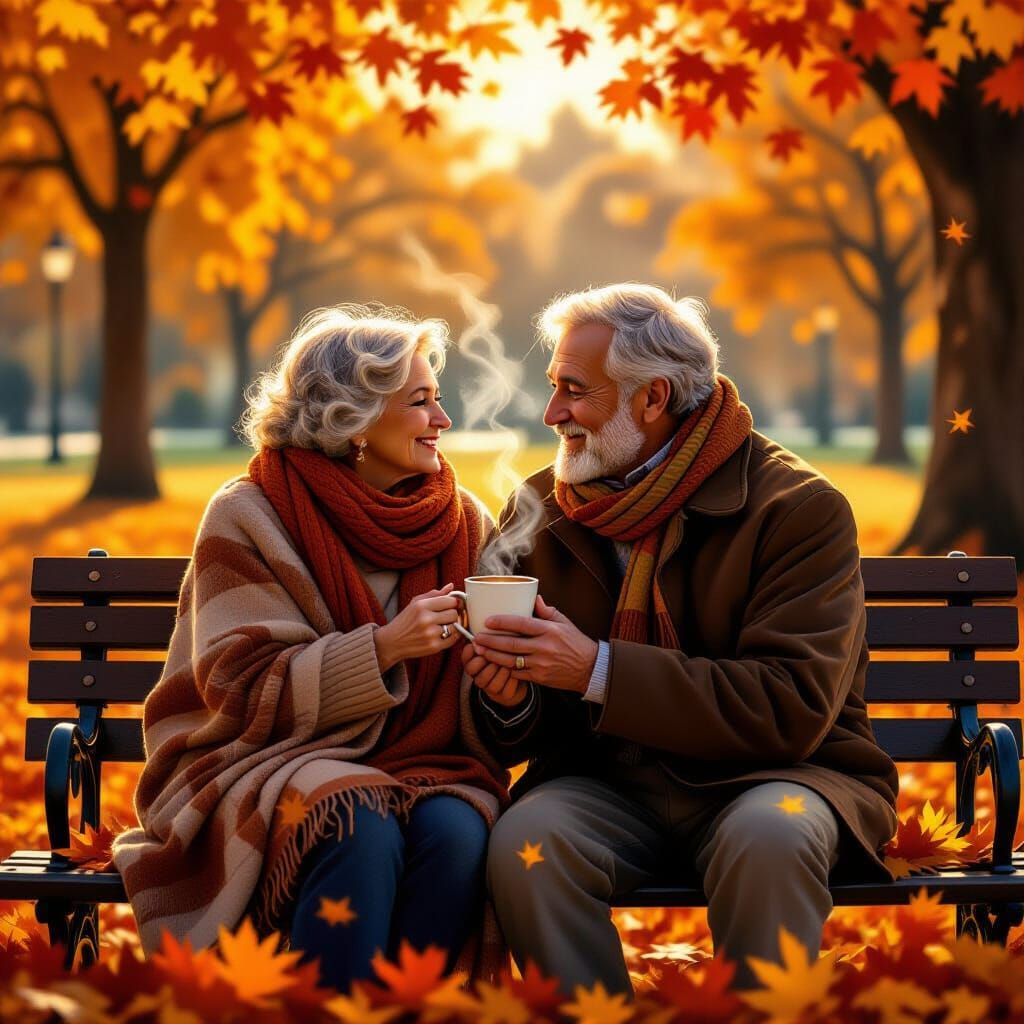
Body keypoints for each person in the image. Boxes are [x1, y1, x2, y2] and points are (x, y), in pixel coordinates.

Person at [463, 283, 899, 992]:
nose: (553, 415)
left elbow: (788, 705)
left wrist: (597, 671)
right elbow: (526, 726)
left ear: (653, 398)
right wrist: (510, 697)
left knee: (771, 837)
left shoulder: (798, 508)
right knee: (524, 844)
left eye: (574, 391)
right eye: (553, 388)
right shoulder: (543, 506)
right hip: (610, 783)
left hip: (777, 778)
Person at [112, 305, 510, 992]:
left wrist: (508, 683)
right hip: (259, 761)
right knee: (353, 817)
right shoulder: (250, 513)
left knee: (460, 832)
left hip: (426, 761)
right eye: (419, 402)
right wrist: (384, 647)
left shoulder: (463, 520)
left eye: (437, 398)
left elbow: (485, 704)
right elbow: (241, 688)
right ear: (352, 421)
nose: (442, 420)